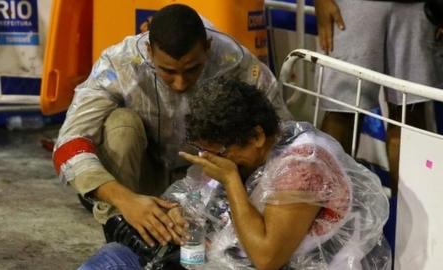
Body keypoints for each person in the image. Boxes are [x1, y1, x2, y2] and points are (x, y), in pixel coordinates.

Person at [80, 78, 391, 270]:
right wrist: (178, 212)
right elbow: (195, 193)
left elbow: (267, 258)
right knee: (116, 254)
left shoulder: (303, 168)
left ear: (256, 136)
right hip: (221, 256)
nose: (212, 162)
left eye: (219, 154)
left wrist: (231, 181)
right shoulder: (242, 152)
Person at [53, 3, 292, 248]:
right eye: (167, 71)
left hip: (209, 177)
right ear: (149, 51)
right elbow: (68, 143)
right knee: (121, 125)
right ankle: (122, 227)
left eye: (192, 69)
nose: (180, 83)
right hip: (140, 176)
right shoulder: (118, 63)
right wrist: (124, 199)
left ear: (207, 48)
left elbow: (282, 136)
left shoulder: (237, 63)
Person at [314, 0, 443, 193]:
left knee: (411, 118)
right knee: (341, 111)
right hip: (352, 6)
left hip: (417, 7)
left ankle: (413, 220)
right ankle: (326, 212)